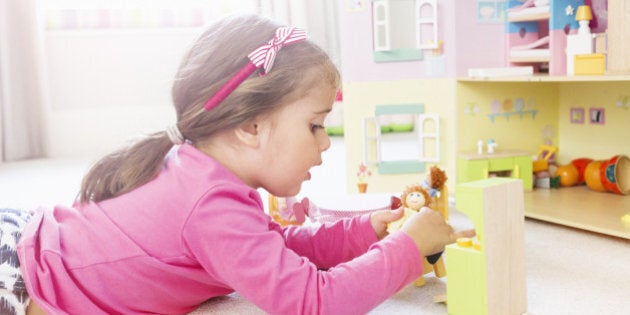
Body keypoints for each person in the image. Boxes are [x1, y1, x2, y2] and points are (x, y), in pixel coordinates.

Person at [5, 14, 474, 315]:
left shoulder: (207, 175)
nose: (325, 145)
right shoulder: (210, 205)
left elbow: (276, 248)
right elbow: (312, 301)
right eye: (315, 125)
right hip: (18, 278)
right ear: (250, 126)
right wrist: (406, 250)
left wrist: (365, 230)